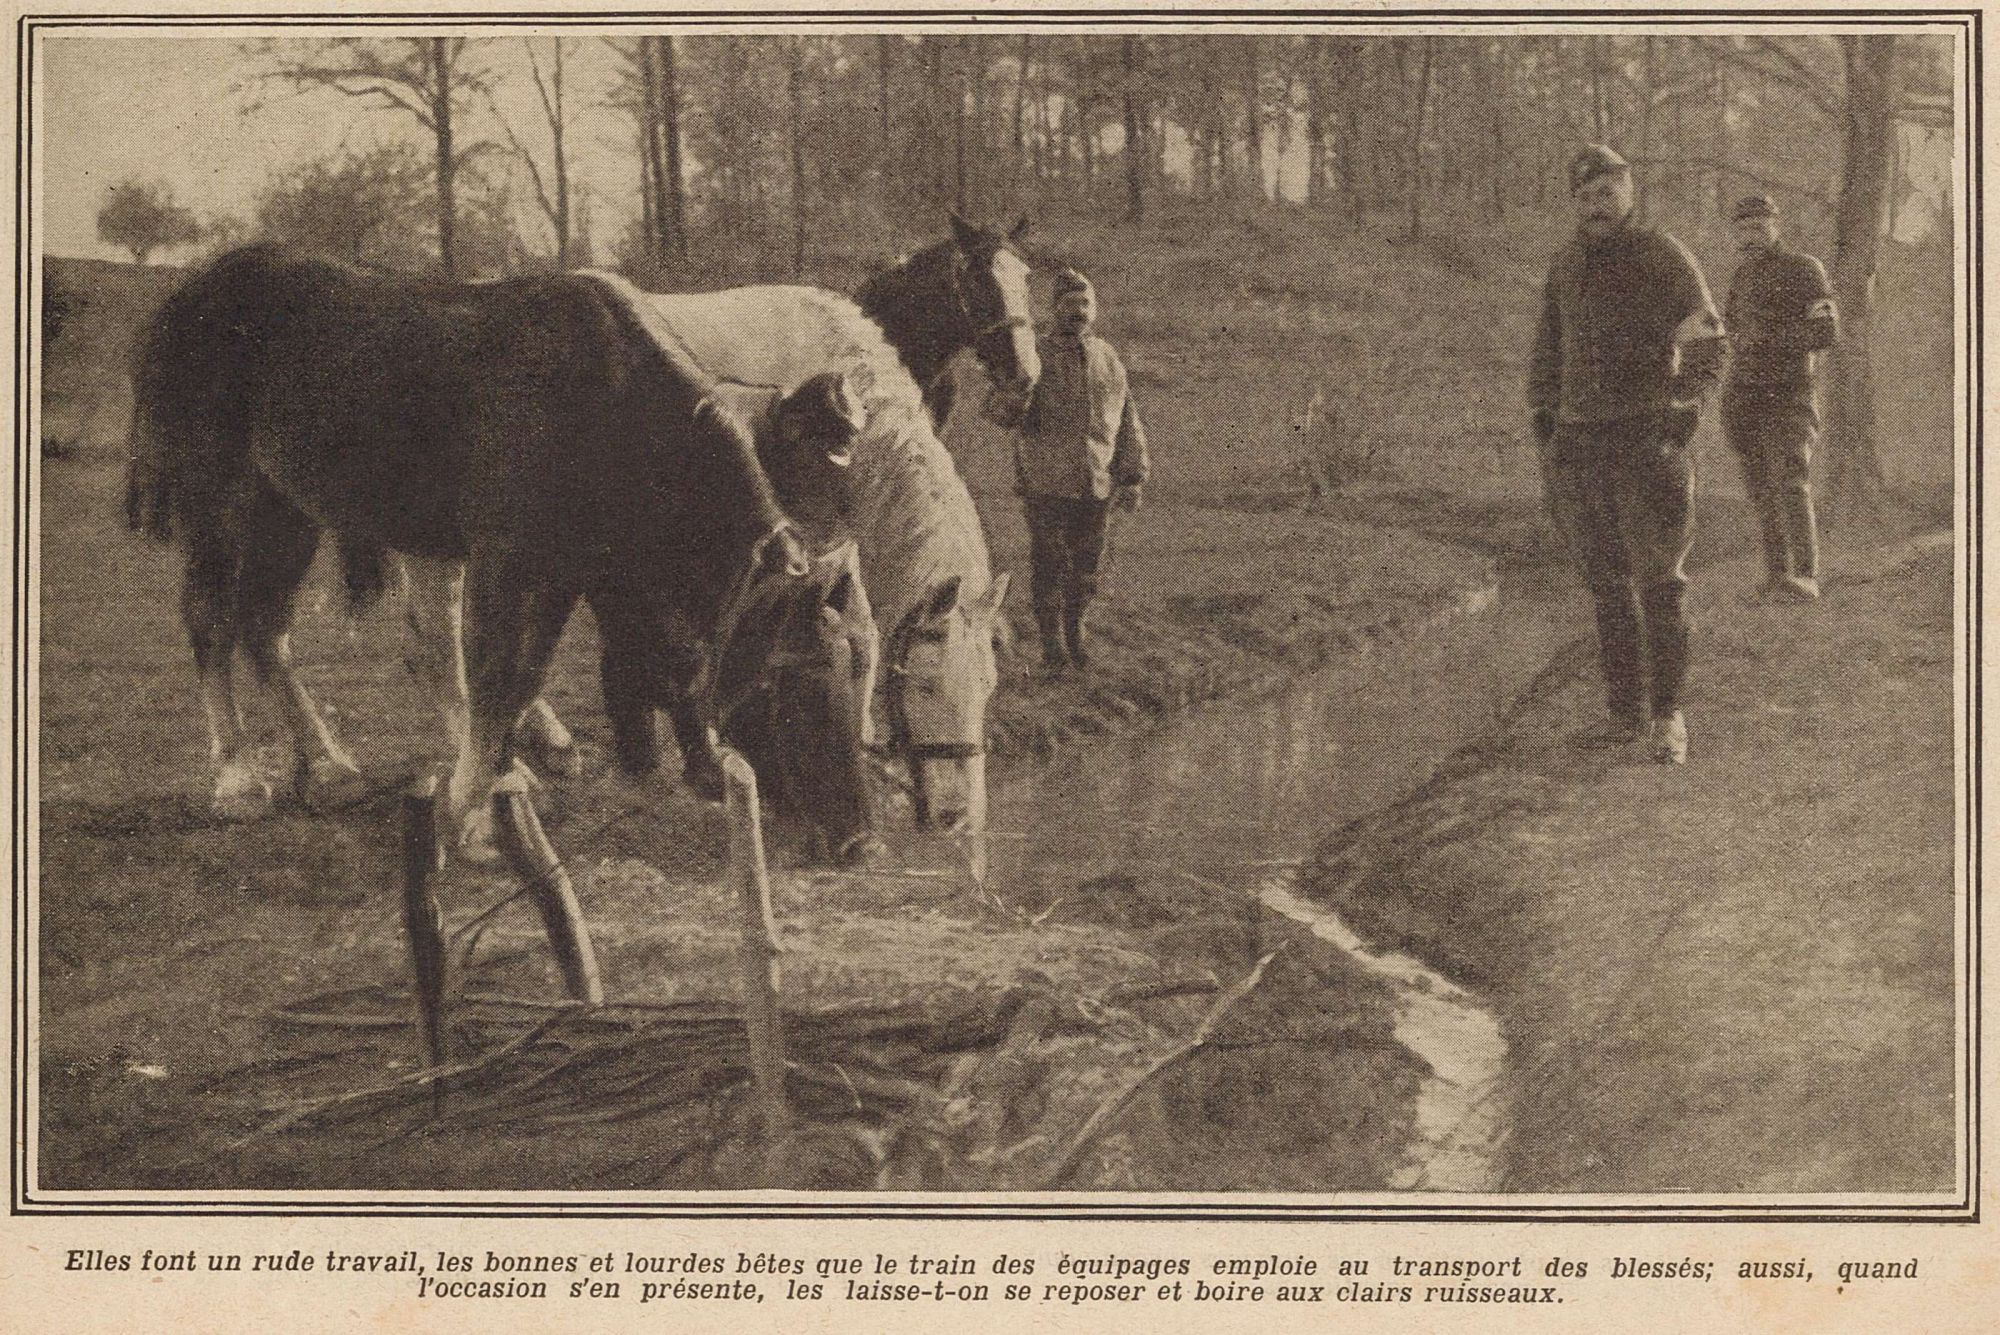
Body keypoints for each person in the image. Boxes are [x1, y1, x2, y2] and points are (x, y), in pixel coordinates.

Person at [1527, 145, 1728, 765]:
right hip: (1580, 447)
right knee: (1605, 587)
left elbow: (1707, 335)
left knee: (1659, 584)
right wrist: (1545, 420)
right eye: (1585, 198)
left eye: (1607, 194)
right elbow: (1547, 349)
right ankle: (1624, 714)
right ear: (1574, 204)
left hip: (1646, 441)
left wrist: (1684, 408)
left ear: (1628, 194)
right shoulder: (1565, 264)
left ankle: (1668, 721)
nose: (1597, 207)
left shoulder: (1662, 255)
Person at [1004, 267, 1149, 673]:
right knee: (1049, 561)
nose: (1078, 313)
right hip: (1047, 481)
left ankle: (1076, 636)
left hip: (1095, 482)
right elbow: (999, 408)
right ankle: (1051, 645)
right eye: (1069, 305)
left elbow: (1126, 421)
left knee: (1087, 565)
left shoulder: (1107, 358)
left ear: (1094, 310)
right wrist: (1014, 402)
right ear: (1053, 309)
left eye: (1085, 305)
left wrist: (1133, 476)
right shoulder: (1033, 353)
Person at [1721, 194, 1840, 603]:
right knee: (1759, 490)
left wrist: (1771, 341)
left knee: (1790, 482)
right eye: (1741, 230)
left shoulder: (1805, 270)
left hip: (1789, 395)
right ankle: (1776, 577)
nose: (1749, 238)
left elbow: (1825, 333)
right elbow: (1732, 331)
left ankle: (1806, 577)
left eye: (1757, 227)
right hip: (1744, 398)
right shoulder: (1740, 279)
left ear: (1776, 226)